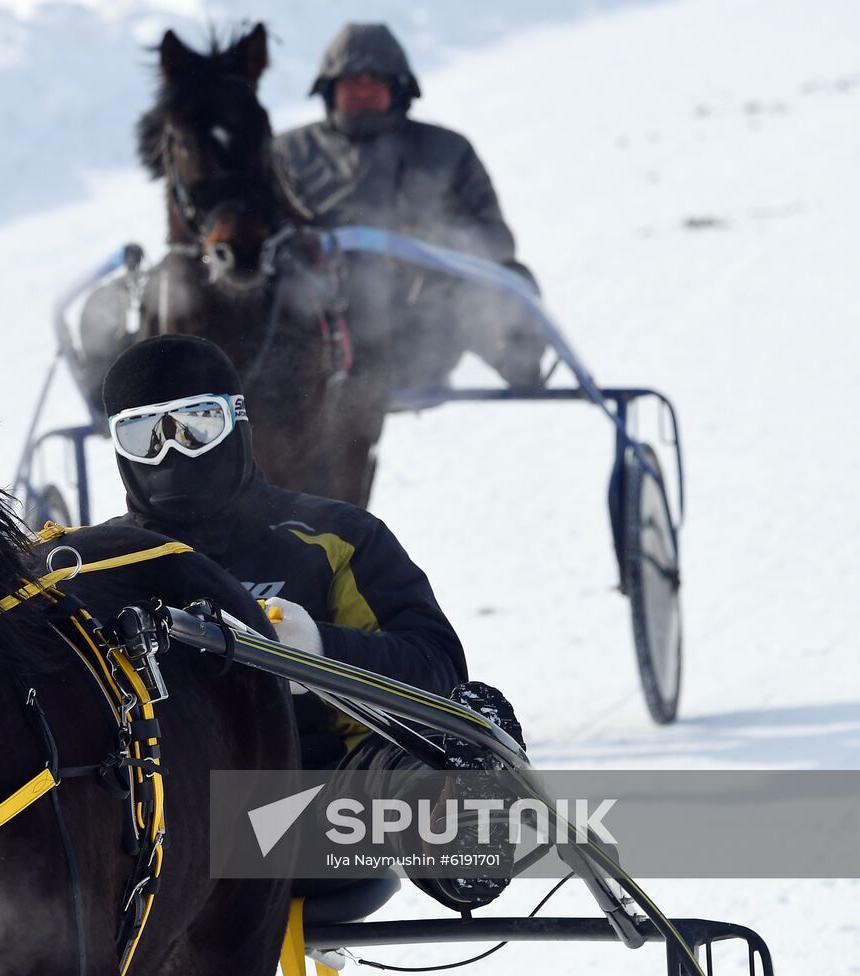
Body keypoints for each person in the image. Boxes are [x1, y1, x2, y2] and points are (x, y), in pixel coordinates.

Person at [101, 334, 525, 910]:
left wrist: (320, 651)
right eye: (144, 435)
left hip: (313, 806)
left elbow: (437, 669)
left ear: (237, 420)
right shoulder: (98, 566)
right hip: (155, 821)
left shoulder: (334, 538)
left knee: (409, 757)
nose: (173, 450)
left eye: (198, 425)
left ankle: (456, 822)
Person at [274, 22, 547, 391]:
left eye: (375, 83)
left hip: (419, 330)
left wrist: (436, 244)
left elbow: (496, 238)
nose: (363, 93)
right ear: (329, 90)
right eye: (352, 84)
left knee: (507, 278)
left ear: (399, 89)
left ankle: (520, 366)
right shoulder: (288, 155)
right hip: (317, 332)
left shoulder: (447, 152)